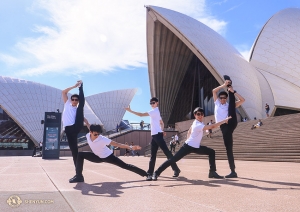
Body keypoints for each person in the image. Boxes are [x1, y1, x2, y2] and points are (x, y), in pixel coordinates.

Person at [152, 107, 231, 180]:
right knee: (172, 160)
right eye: (198, 114)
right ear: (195, 115)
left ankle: (212, 172)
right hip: (188, 147)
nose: (200, 116)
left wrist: (188, 138)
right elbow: (213, 127)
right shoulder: (198, 124)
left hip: (196, 147)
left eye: (201, 114)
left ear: (203, 115)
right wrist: (224, 120)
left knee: (211, 152)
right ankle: (156, 173)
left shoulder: (195, 122)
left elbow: (189, 131)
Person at [125, 97, 180, 181]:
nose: (152, 104)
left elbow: (141, 115)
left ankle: (175, 169)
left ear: (157, 103)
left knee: (167, 153)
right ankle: (150, 173)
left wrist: (130, 111)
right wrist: (162, 129)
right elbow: (162, 122)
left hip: (157, 135)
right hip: (154, 136)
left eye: (153, 103)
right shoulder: (156, 112)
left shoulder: (154, 111)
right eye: (150, 103)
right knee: (154, 155)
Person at [69, 124, 147, 183]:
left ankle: (146, 174)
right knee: (80, 154)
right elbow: (89, 125)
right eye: (95, 134)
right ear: (90, 132)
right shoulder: (87, 135)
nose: (97, 136)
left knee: (125, 166)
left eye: (98, 134)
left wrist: (130, 147)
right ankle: (79, 176)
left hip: (108, 156)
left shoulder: (102, 139)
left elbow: (117, 144)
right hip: (97, 157)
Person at [212, 75, 245, 178]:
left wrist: (233, 92)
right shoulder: (217, 103)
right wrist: (224, 85)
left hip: (229, 124)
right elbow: (213, 91)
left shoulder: (228, 104)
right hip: (223, 127)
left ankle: (233, 171)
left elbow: (243, 100)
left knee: (228, 148)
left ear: (226, 98)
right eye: (221, 97)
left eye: (224, 98)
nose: (222, 99)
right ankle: (233, 170)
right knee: (228, 147)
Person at [62, 81, 89, 168]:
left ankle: (81, 87)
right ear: (70, 100)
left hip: (76, 126)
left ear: (78, 101)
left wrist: (88, 124)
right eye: (72, 99)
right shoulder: (67, 104)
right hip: (69, 129)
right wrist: (74, 86)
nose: (74, 101)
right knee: (74, 150)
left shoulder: (78, 109)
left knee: (81, 107)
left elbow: (81, 117)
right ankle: (78, 171)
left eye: (76, 100)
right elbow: (64, 92)